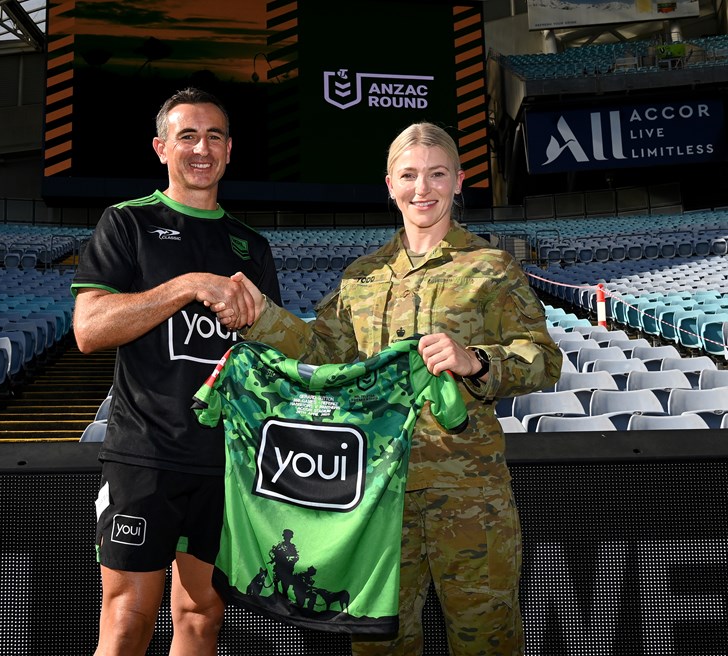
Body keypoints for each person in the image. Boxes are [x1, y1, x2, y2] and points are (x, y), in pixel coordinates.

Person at [218, 122, 562, 655]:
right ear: (389, 185)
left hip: (468, 496)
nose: (422, 188)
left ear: (458, 182)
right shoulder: (361, 277)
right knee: (380, 645)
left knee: (486, 639)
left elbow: (543, 360)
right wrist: (262, 318)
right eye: (409, 175)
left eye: (436, 174)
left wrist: (477, 361)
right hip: (376, 498)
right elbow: (319, 357)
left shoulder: (491, 269)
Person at [71, 87, 282, 656]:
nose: (202, 147)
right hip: (146, 452)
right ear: (161, 147)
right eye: (187, 135)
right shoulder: (127, 224)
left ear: (230, 150)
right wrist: (189, 284)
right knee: (127, 620)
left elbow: (272, 354)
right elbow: (89, 329)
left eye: (214, 136)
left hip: (225, 462)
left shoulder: (250, 245)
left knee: (200, 617)